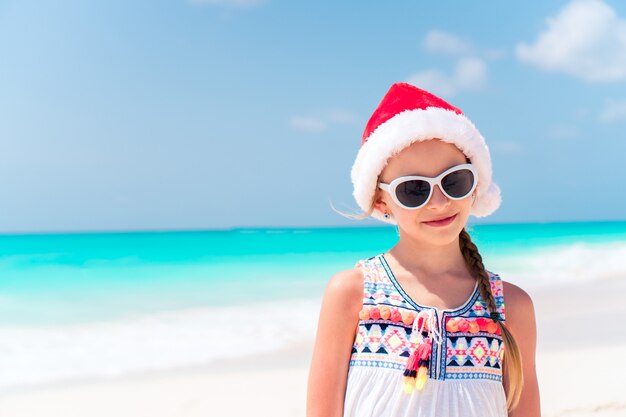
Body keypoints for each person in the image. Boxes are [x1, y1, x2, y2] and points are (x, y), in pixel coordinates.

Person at [306, 82, 540, 417]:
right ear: (381, 201)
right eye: (414, 190)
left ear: (475, 185)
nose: (440, 202)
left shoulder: (512, 307)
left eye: (454, 181)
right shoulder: (351, 294)